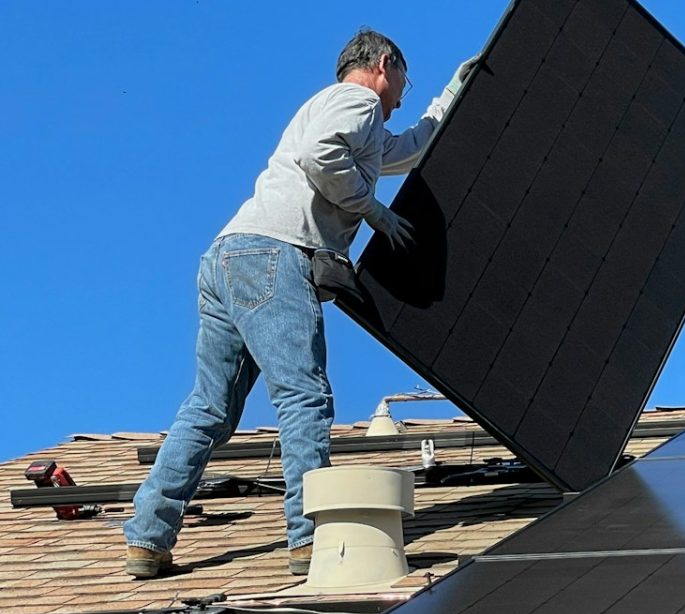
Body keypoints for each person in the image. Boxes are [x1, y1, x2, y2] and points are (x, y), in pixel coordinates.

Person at [123, 28, 478, 578]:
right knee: (303, 396)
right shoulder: (357, 101)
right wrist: (373, 212)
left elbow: (405, 151)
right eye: (406, 77)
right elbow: (321, 157)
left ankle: (147, 536)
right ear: (385, 64)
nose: (406, 90)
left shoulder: (342, 112)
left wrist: (453, 94)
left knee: (209, 409)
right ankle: (310, 540)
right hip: (274, 254)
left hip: (227, 257)